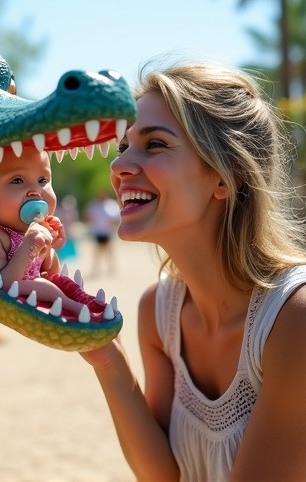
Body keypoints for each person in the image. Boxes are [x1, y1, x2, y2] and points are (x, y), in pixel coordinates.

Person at [80, 60, 306, 481]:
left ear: (225, 176)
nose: (120, 166)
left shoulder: (293, 319)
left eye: (156, 145)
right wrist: (104, 354)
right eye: (123, 147)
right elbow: (163, 474)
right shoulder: (158, 313)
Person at [0, 146, 107, 321]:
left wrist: (47, 247)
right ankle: (76, 309)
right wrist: (30, 245)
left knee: (58, 283)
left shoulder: (26, 228)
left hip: (35, 292)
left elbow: (49, 272)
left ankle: (82, 304)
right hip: (14, 294)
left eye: (43, 180)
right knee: (49, 289)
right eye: (17, 180)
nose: (36, 190)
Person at [85, 190, 119, 275]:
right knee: (97, 251)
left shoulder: (111, 205)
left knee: (109, 251)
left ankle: (111, 268)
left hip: (108, 232)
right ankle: (96, 268)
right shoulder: (94, 205)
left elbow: (116, 218)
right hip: (98, 231)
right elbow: (88, 216)